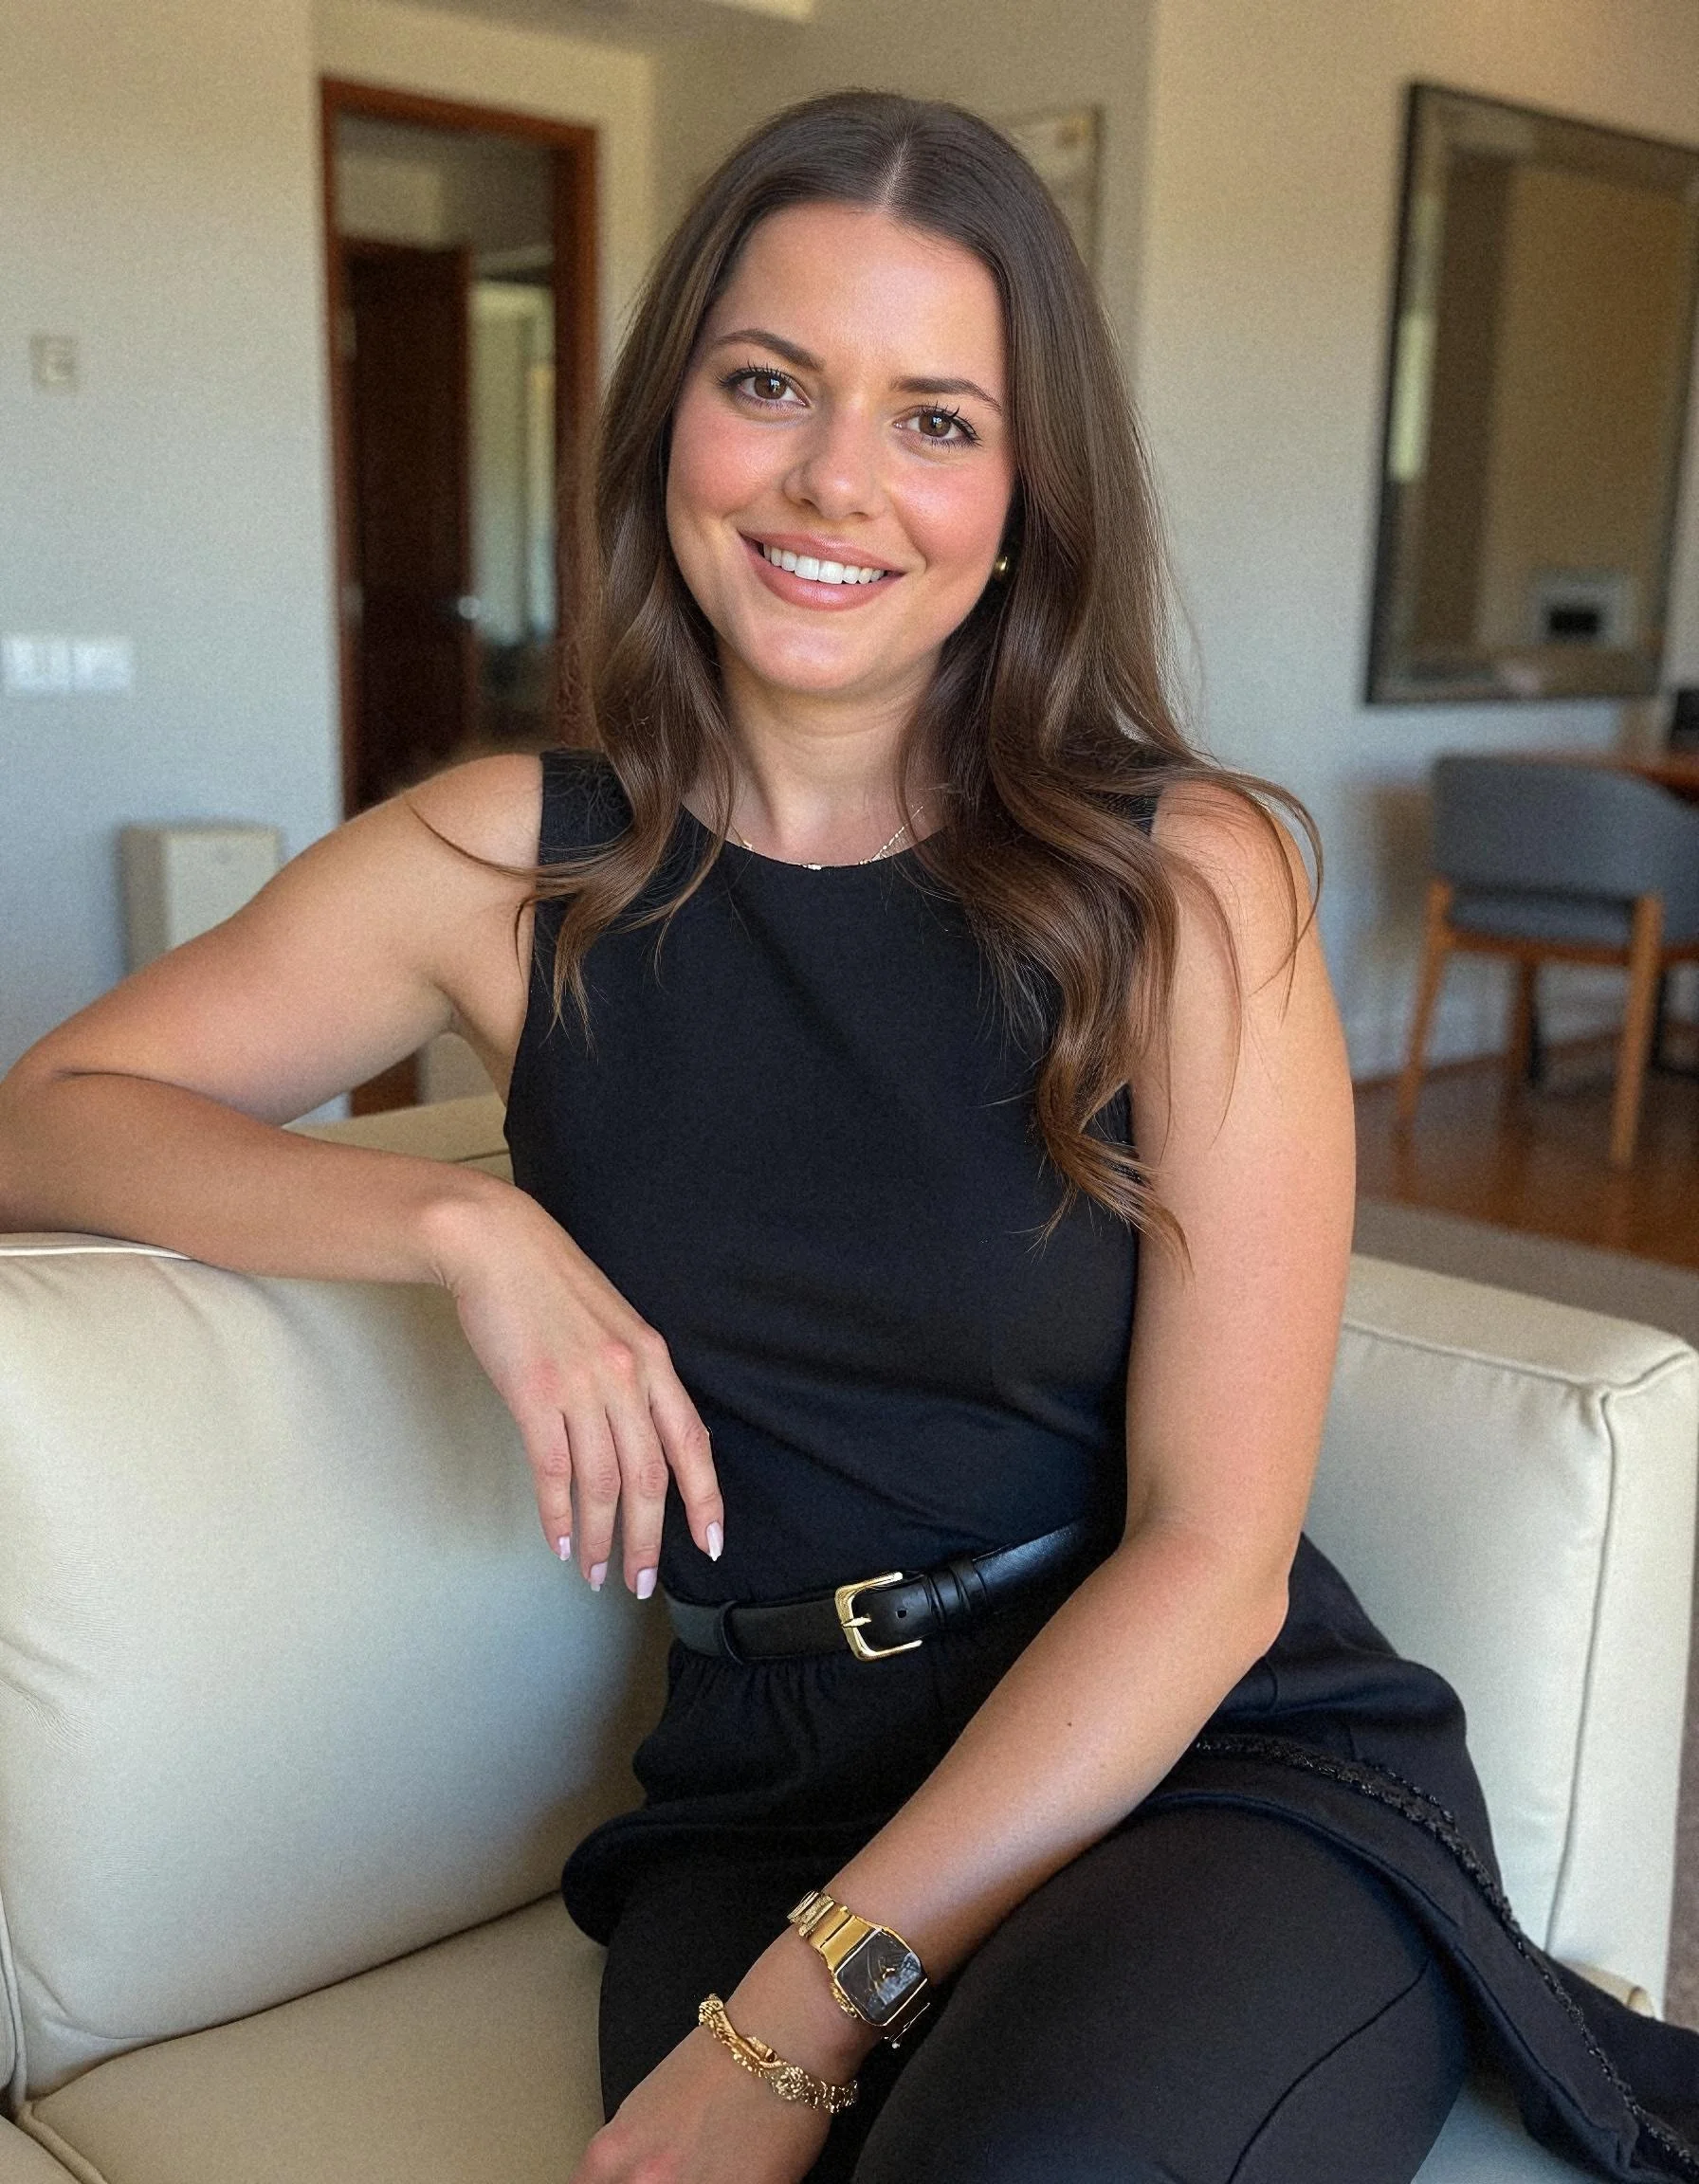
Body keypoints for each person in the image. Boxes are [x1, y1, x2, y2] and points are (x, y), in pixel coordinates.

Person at [2, 85, 1697, 2184]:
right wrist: (466, 1239)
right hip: (762, 1788)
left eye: (934, 418)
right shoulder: (497, 865)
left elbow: (1211, 1556)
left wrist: (797, 2020)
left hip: (1179, 1760)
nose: (829, 480)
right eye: (768, 381)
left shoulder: (1181, 876)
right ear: (666, 425)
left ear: (1022, 497)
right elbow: (48, 1117)